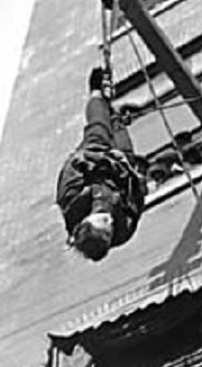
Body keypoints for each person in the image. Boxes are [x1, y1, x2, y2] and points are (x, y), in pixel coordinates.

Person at [55, 68, 148, 261]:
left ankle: (96, 92)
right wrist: (137, 177)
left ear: (86, 221)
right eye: (109, 230)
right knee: (119, 131)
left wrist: (105, 158)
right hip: (122, 171)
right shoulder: (123, 232)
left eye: (104, 222)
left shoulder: (71, 202)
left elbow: (75, 164)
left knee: (98, 128)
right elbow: (137, 201)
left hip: (92, 159)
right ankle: (113, 111)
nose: (111, 221)